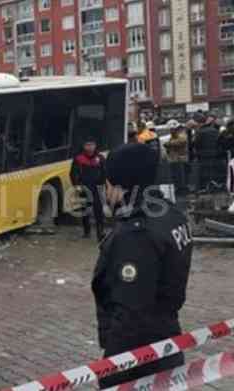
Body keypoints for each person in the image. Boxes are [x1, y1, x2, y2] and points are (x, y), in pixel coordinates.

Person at [92, 143, 193, 389]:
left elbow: (132, 314)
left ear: (121, 185)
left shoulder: (135, 234)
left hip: (141, 358)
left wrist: (113, 368)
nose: (104, 189)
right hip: (167, 339)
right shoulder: (170, 214)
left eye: (107, 182)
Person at [70, 139, 106, 241]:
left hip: (97, 188)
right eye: (87, 145)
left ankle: (100, 232)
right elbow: (73, 173)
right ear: (84, 146)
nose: (90, 147)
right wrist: (76, 185)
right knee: (85, 210)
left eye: (92, 145)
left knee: (98, 210)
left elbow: (105, 172)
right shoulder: (79, 158)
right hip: (84, 187)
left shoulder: (100, 158)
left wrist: (104, 185)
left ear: (95, 146)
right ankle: (87, 231)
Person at [164, 120, 189, 195]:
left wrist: (169, 144)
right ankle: (179, 188)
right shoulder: (174, 135)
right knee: (176, 176)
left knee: (181, 176)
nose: (170, 131)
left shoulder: (181, 133)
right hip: (175, 159)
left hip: (180, 159)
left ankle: (182, 190)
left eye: (171, 129)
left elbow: (182, 141)